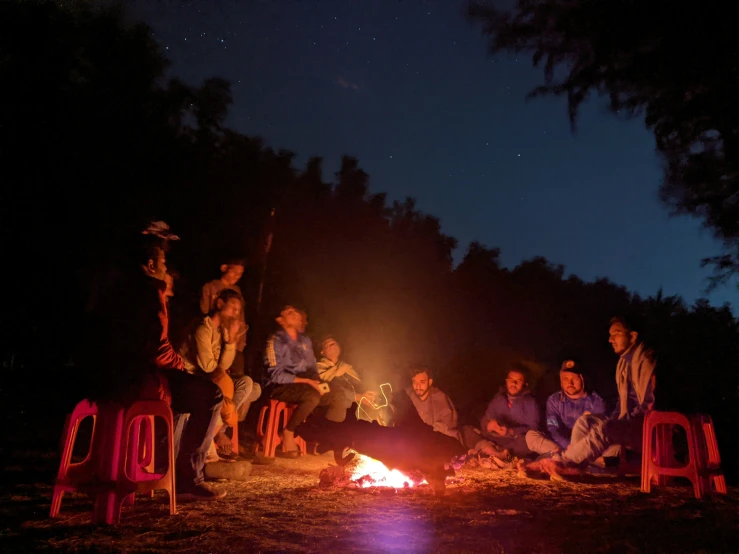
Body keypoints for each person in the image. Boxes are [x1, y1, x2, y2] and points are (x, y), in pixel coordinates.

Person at [83, 222, 226, 500]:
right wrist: (180, 365)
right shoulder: (148, 292)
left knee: (187, 394)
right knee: (210, 395)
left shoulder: (114, 287)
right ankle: (188, 476)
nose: (165, 267)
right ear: (150, 264)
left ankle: (167, 467)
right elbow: (157, 349)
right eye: (163, 261)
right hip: (136, 377)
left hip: (105, 376)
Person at [539, 316, 656, 479]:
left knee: (606, 430)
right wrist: (614, 419)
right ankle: (576, 466)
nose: (610, 339)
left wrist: (620, 424)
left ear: (633, 336)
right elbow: (622, 403)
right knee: (584, 422)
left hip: (646, 425)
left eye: (616, 333)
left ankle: (567, 463)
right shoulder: (623, 363)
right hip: (625, 423)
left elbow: (650, 403)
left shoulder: (646, 359)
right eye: (610, 335)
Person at [180, 288, 261, 457]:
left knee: (249, 386)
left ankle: (217, 431)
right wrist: (224, 378)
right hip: (191, 377)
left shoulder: (221, 331)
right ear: (219, 304)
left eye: (238, 311)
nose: (235, 314)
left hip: (210, 377)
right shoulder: (202, 328)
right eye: (232, 308)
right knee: (220, 389)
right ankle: (209, 445)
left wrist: (231, 340)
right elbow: (208, 367)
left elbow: (223, 365)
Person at [264, 306, 353, 456]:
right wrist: (307, 381)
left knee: (336, 394)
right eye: (289, 313)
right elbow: (275, 375)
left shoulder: (304, 342)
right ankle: (288, 432)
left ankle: (328, 441)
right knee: (312, 396)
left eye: (296, 313)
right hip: (279, 386)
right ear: (281, 320)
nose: (294, 315)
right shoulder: (276, 341)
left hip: (304, 385)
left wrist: (318, 382)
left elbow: (312, 369)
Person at [525, 359, 607, 455]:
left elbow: (597, 433)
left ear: (582, 379)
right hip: (562, 446)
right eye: (565, 379)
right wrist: (567, 445)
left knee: (613, 448)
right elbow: (553, 428)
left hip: (585, 446)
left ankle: (565, 457)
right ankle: (566, 456)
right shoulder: (554, 400)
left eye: (574, 379)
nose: (570, 383)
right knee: (531, 436)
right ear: (561, 380)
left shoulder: (596, 401)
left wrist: (578, 447)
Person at [478, 365, 540, 459]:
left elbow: (534, 428)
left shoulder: (530, 402)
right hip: (496, 438)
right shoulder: (499, 398)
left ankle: (494, 452)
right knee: (467, 431)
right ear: (506, 381)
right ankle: (497, 452)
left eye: (518, 381)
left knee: (529, 442)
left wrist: (510, 431)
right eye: (511, 380)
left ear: (525, 384)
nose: (513, 383)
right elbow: (486, 418)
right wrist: (488, 425)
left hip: (516, 440)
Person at [200, 259, 248, 376]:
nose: (237, 276)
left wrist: (240, 342)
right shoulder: (210, 287)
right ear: (224, 268)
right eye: (234, 271)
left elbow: (240, 317)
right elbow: (204, 312)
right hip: (214, 339)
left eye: (240, 273)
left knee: (237, 374)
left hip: (233, 340)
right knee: (217, 374)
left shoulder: (237, 291)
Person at [394, 366, 462, 442]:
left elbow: (446, 429)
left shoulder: (440, 399)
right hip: (412, 441)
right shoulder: (409, 395)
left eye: (422, 382)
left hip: (436, 441)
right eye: (414, 382)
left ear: (430, 382)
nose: (418, 386)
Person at [316, 336, 377, 415]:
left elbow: (360, 383)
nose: (334, 345)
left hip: (360, 406)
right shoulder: (319, 368)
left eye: (335, 343)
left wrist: (371, 393)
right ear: (322, 352)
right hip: (337, 409)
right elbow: (329, 388)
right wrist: (358, 397)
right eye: (329, 344)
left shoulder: (346, 367)